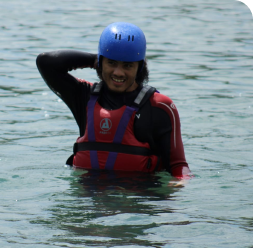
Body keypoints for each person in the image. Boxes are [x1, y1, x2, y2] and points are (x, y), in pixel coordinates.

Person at [36, 22, 191, 179]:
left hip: (139, 199)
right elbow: (46, 62)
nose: (118, 72)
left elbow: (179, 167)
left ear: (140, 67)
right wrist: (93, 59)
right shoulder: (84, 96)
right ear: (100, 62)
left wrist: (178, 186)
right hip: (89, 200)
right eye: (111, 63)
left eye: (127, 65)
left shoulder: (160, 106)